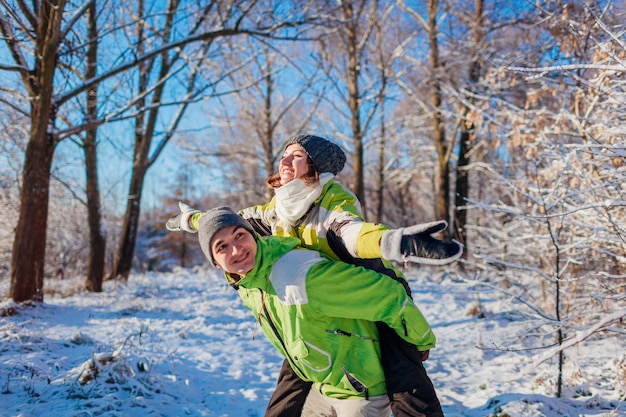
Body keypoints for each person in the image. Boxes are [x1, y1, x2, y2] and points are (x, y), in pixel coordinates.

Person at [167, 134, 462, 416]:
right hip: (314, 306)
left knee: (407, 383)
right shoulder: (277, 209)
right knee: (292, 380)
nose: (284, 161)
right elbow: (225, 222)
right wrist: (189, 219)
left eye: (295, 156)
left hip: (366, 294)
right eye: (283, 155)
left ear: (315, 166)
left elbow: (350, 232)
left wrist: (394, 242)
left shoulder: (333, 200)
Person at [196, 206, 438, 416]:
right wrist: (189, 220)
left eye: (240, 235)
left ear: (253, 235)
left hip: (360, 391)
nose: (236, 250)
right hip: (321, 385)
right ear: (216, 262)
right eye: (222, 247)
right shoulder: (249, 282)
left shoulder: (299, 274)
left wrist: (420, 340)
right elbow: (205, 221)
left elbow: (388, 295)